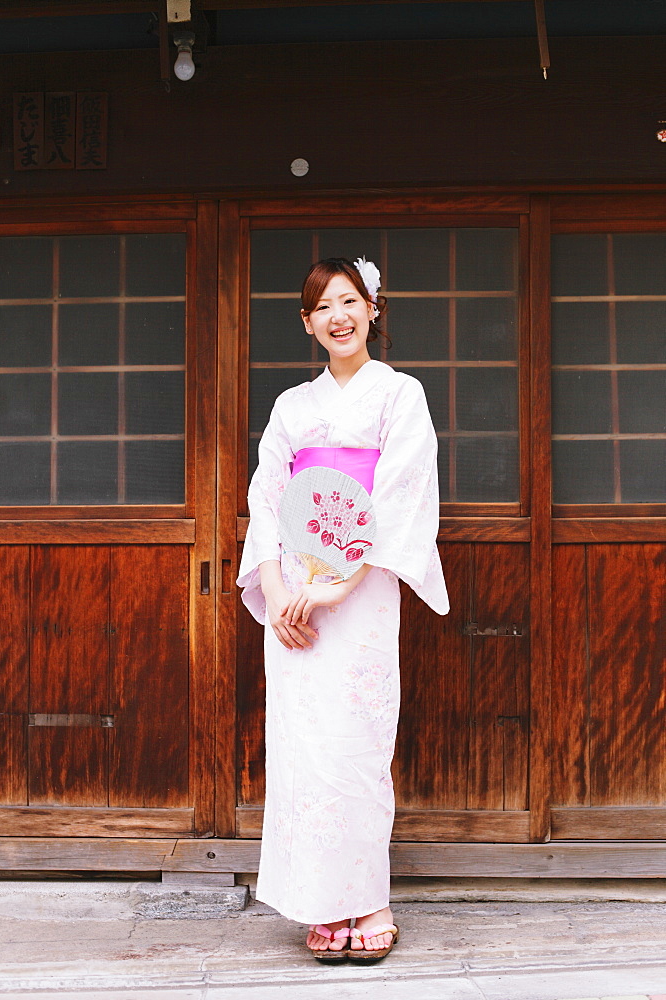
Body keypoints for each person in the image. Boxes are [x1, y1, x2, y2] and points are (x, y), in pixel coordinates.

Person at [237, 256, 449, 963]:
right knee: (304, 747)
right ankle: (320, 904)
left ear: (372, 309)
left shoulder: (400, 395)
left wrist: (334, 586)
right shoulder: (292, 406)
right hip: (293, 588)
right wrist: (274, 583)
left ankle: (370, 900)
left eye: (349, 301)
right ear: (307, 323)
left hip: (355, 591)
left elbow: (400, 495)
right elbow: (266, 495)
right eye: (323, 306)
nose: (338, 315)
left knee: (357, 743)